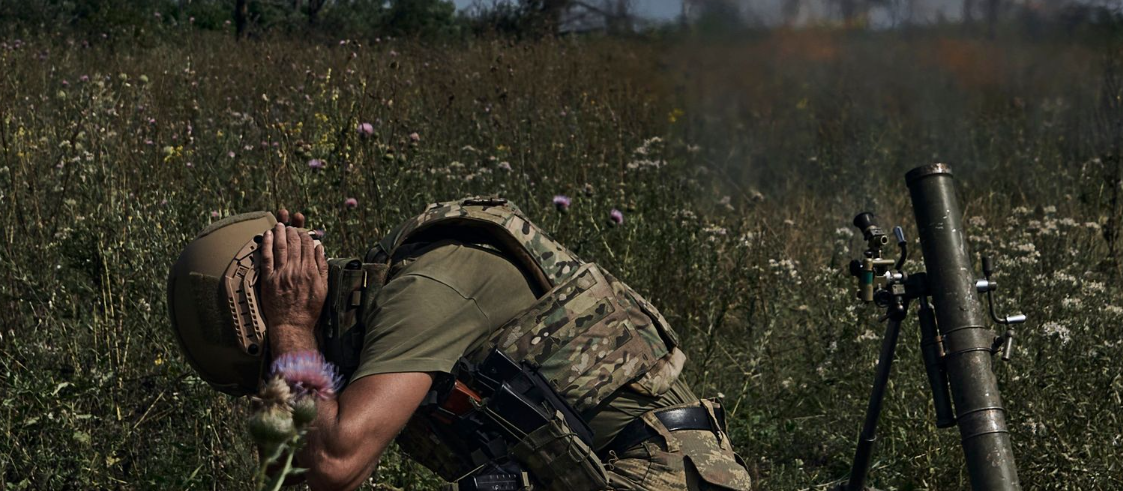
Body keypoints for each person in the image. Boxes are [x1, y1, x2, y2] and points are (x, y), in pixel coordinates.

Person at [167, 197, 751, 491]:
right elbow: (302, 478)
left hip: (664, 476)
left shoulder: (419, 294)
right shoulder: (365, 338)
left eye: (276, 368)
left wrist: (291, 328)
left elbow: (335, 462)